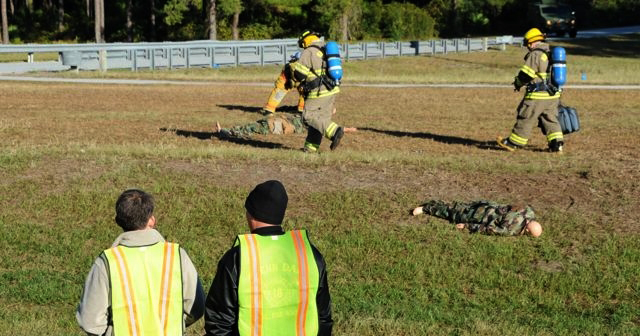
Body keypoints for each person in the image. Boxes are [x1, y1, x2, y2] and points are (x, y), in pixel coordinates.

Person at [204, 180, 333, 335]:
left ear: (250, 214)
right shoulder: (309, 254)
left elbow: (218, 323)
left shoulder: (238, 258)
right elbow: (324, 318)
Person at [77, 189, 205, 336]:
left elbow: (90, 321)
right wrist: (176, 324)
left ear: (118, 221)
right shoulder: (176, 256)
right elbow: (196, 306)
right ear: (151, 220)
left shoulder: (107, 262)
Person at [497, 27, 564, 153]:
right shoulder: (549, 53)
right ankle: (557, 144)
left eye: (527, 43)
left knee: (526, 117)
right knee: (550, 119)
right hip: (552, 96)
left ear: (531, 42)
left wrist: (517, 83)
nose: (527, 47)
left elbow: (526, 74)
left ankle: (513, 143)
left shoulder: (536, 54)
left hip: (537, 96)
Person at [289, 30, 345, 152]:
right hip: (331, 89)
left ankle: (334, 131)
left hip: (318, 92)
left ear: (306, 40)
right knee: (318, 120)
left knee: (307, 116)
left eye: (302, 43)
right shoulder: (326, 49)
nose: (303, 46)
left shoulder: (309, 51)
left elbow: (299, 75)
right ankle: (310, 148)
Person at [411, 199, 543, 237]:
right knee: (452, 213)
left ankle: (431, 206)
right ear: (526, 231)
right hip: (479, 215)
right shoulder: (512, 229)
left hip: (486, 205)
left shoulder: (529, 212)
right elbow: (489, 229)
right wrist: (467, 226)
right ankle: (426, 208)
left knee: (457, 207)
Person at [214, 111, 357, 139]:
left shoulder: (319, 120)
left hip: (281, 125)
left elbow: (336, 129)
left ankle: (226, 133)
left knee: (253, 128)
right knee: (254, 126)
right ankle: (228, 132)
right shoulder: (316, 114)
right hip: (280, 121)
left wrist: (349, 129)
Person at [262, 52, 305, 116]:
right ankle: (301, 111)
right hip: (299, 79)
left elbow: (280, 87)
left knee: (279, 91)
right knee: (304, 93)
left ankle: (269, 110)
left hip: (286, 77)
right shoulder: (306, 62)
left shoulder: (289, 66)